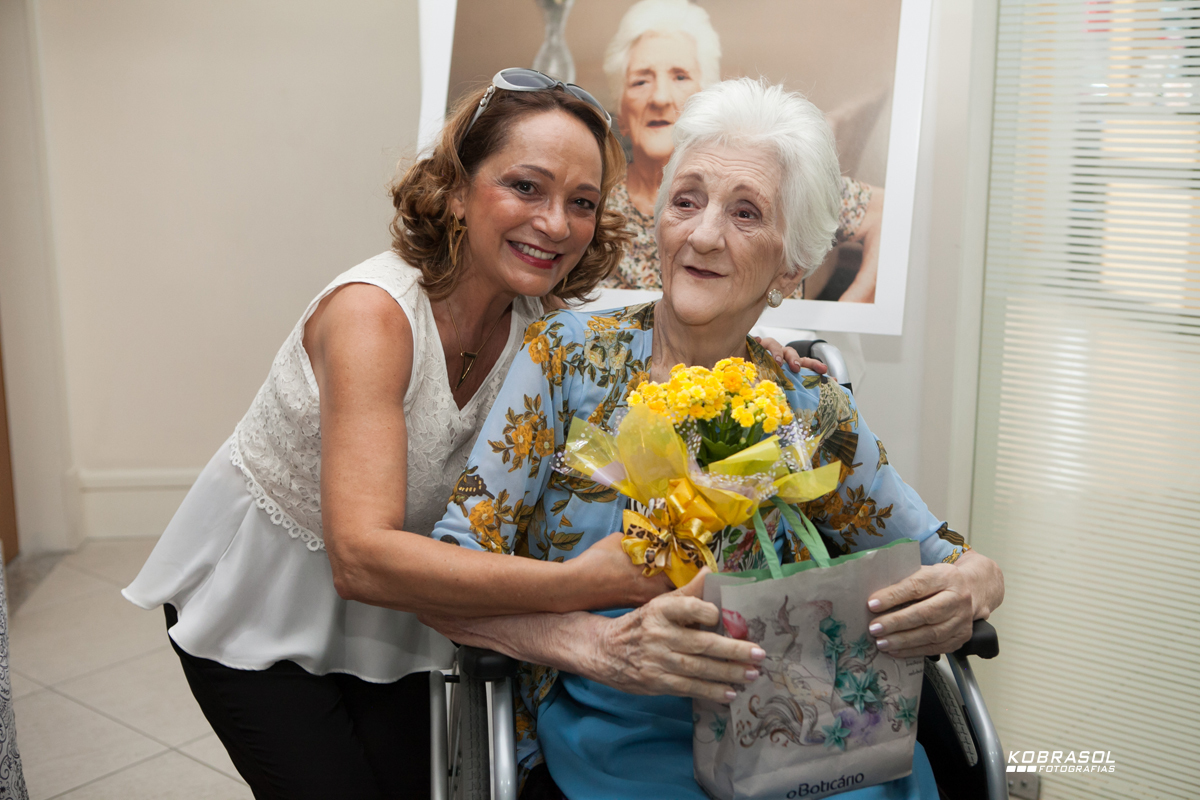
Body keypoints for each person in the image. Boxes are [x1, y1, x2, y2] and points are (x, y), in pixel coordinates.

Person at [427, 78, 1004, 799]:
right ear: (659, 219)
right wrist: (598, 645)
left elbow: (954, 557)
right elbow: (456, 558)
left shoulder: (807, 403)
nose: (702, 236)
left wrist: (969, 587)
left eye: (745, 213)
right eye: (687, 200)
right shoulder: (566, 358)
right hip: (620, 720)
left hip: (798, 730)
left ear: (792, 265)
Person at [599, 0, 884, 302]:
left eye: (680, 76)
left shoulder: (778, 182)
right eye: (640, 81)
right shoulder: (597, 208)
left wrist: (846, 314)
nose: (658, 97)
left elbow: (887, 213)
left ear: (707, 97)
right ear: (622, 115)